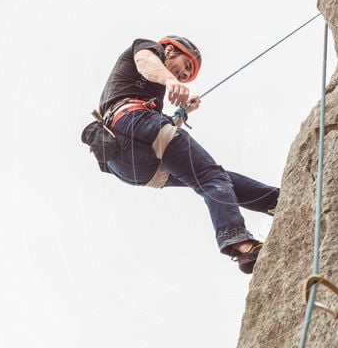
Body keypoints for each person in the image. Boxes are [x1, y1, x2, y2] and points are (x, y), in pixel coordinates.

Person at [95, 35, 279, 274]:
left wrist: (183, 113)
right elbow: (145, 62)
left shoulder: (139, 92)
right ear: (170, 50)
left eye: (185, 75)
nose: (183, 75)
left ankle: (277, 201)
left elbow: (157, 134)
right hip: (133, 124)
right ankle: (240, 242)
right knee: (212, 179)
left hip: (127, 163)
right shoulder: (146, 47)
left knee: (217, 178)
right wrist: (171, 82)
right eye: (186, 66)